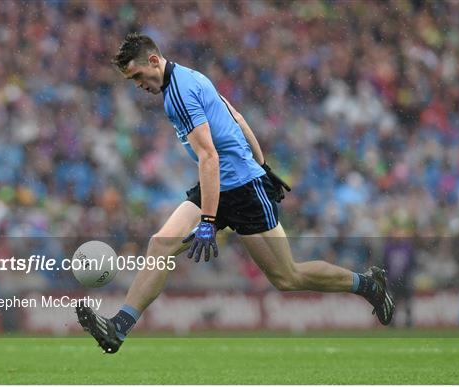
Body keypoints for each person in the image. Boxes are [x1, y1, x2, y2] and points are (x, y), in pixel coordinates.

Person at [76, 33, 395, 354]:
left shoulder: (180, 94)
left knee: (288, 277)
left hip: (242, 189)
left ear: (154, 61)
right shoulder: (191, 76)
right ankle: (119, 326)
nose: (138, 85)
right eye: (132, 80)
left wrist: (210, 219)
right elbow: (237, 118)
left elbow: (209, 157)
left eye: (138, 76)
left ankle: (367, 284)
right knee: (161, 243)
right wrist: (263, 164)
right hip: (220, 184)